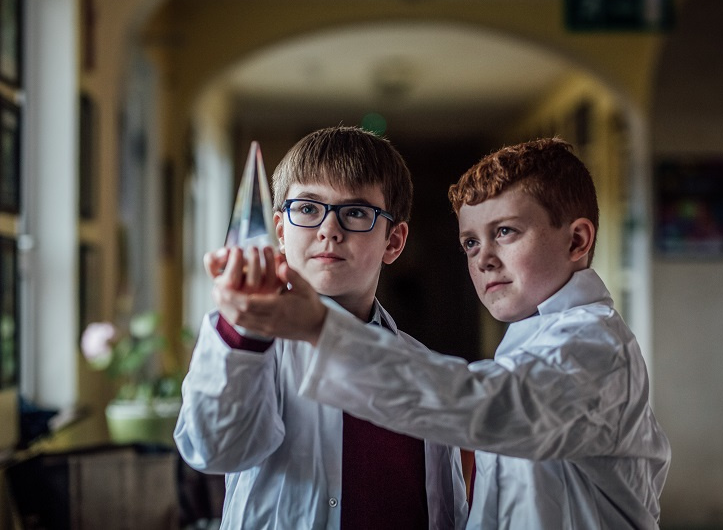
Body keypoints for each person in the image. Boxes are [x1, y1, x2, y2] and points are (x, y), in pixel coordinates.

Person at [225, 137, 671, 528]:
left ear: (576, 241)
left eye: (506, 232)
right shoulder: (528, 344)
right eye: (471, 243)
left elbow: (490, 406)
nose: (484, 259)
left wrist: (322, 327)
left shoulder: (595, 348)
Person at [174, 126, 468, 529]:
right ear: (280, 230)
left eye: (357, 212)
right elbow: (215, 451)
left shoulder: (421, 367)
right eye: (309, 209)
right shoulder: (248, 344)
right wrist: (242, 331)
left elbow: (447, 508)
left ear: (393, 242)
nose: (330, 229)